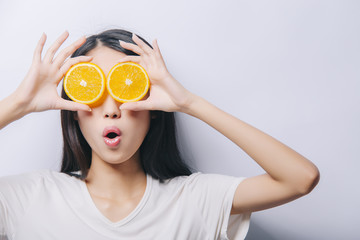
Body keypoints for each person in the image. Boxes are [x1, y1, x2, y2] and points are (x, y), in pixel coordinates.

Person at [0, 29, 320, 240]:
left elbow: (299, 178)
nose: (112, 110)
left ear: (153, 107)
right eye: (93, 91)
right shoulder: (28, 198)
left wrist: (189, 103)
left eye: (126, 88)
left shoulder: (193, 199)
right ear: (72, 110)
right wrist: (18, 104)